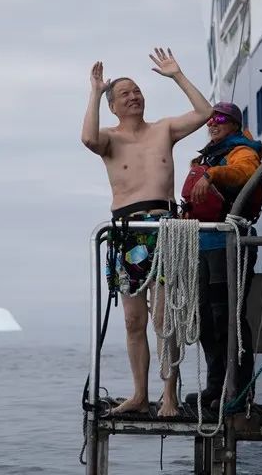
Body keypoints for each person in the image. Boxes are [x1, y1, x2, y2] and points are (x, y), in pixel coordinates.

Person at [81, 47, 211, 417]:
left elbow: (204, 113)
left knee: (164, 318)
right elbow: (87, 139)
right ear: (113, 106)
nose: (134, 97)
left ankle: (168, 395)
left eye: (137, 91)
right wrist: (93, 91)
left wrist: (177, 75)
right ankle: (140, 394)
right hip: (127, 232)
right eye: (125, 94)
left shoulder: (164, 129)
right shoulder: (109, 138)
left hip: (164, 227)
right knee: (133, 320)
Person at [181, 102, 262, 410]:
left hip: (230, 245)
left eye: (220, 119)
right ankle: (216, 386)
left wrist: (212, 174)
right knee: (205, 319)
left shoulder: (242, 152)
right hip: (203, 246)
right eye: (210, 119)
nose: (212, 124)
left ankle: (238, 390)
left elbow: (245, 173)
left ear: (234, 124)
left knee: (228, 317)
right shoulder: (207, 155)